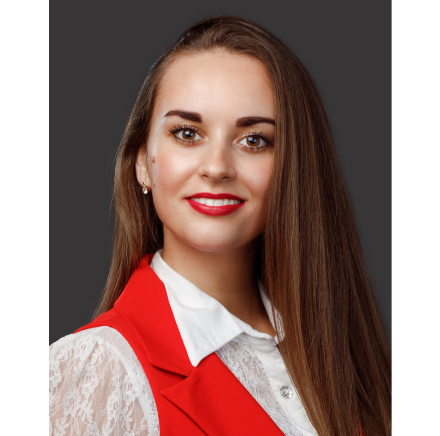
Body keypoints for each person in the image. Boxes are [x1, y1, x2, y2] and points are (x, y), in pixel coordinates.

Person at [49, 15, 391, 436]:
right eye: (187, 133)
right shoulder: (99, 368)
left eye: (254, 140)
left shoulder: (348, 355)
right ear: (142, 163)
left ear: (294, 168)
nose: (216, 167)